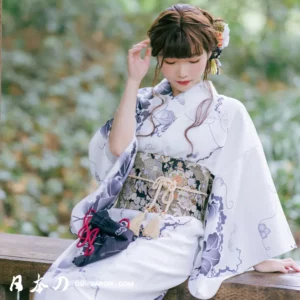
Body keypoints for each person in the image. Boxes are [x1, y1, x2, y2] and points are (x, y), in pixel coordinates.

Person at [34, 4, 299, 300]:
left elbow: (246, 182)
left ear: (211, 54)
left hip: (176, 236)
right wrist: (133, 80)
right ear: (159, 58)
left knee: (77, 294)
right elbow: (119, 150)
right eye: (171, 61)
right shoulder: (144, 101)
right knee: (51, 290)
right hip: (121, 227)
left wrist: (255, 256)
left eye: (193, 60)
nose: (182, 72)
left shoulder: (229, 112)